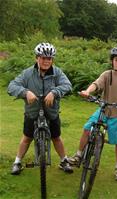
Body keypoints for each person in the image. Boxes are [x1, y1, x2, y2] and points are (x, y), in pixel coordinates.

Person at [68, 45, 117, 181]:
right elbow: (97, 84)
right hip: (103, 110)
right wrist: (88, 91)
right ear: (112, 61)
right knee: (86, 128)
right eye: (116, 60)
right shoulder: (107, 74)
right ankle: (78, 154)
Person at [8, 42, 73, 175]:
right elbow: (12, 86)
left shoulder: (57, 73)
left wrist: (54, 92)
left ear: (52, 60)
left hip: (51, 111)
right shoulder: (27, 74)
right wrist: (25, 92)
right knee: (27, 137)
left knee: (56, 137)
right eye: (43, 58)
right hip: (32, 112)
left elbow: (67, 85)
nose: (46, 61)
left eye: (49, 58)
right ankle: (17, 162)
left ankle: (64, 160)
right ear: (37, 58)